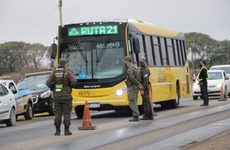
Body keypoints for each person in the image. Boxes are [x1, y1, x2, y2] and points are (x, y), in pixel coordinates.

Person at [46, 58, 77, 136]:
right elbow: (74, 82)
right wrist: (69, 85)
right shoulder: (68, 72)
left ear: (59, 64)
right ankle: (66, 131)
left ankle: (57, 131)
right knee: (66, 113)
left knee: (57, 113)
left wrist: (53, 86)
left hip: (57, 96)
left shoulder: (54, 73)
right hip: (66, 96)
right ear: (65, 64)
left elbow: (48, 83)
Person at [123, 56, 144, 122]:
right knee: (135, 101)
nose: (124, 62)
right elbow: (138, 76)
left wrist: (138, 83)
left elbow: (132, 78)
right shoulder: (134, 67)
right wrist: (138, 84)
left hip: (131, 87)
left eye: (124, 61)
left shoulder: (130, 69)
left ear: (126, 61)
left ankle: (135, 115)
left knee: (132, 102)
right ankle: (136, 115)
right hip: (135, 87)